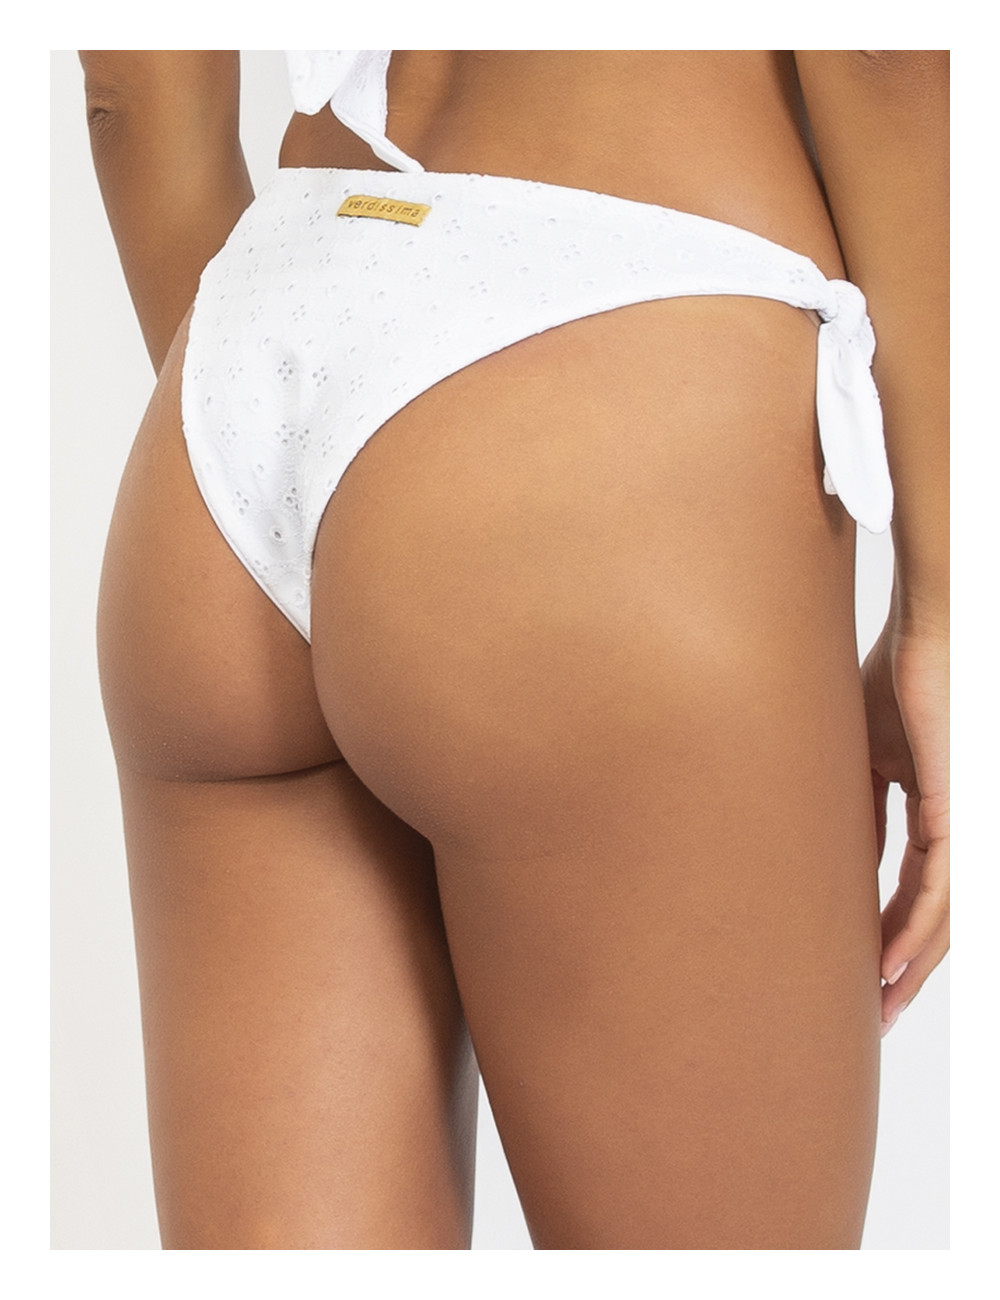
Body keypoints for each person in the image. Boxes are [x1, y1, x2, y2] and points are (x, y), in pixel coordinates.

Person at [79, 49, 949, 1249]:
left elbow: (131, 86)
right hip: (616, 331)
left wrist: (317, 480)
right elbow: (886, 51)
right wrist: (945, 611)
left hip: (259, 334)